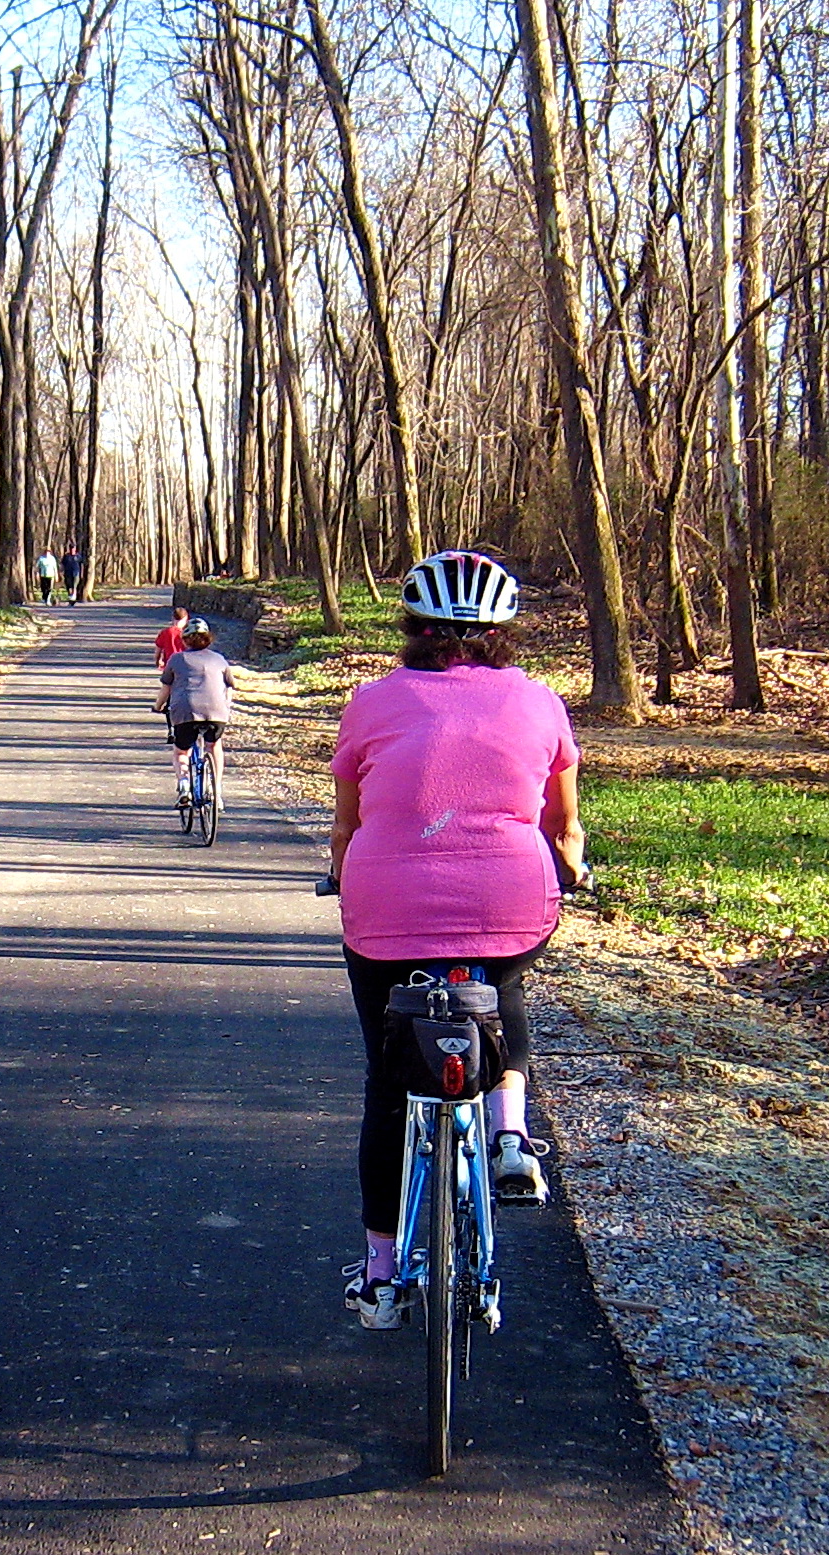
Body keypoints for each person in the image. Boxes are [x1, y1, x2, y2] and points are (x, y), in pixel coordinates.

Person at [328, 551, 587, 1332]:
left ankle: (380, 1278)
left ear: (413, 629)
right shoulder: (541, 703)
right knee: (503, 979)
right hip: (509, 897)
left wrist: (340, 870)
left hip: (386, 911)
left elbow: (347, 826)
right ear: (503, 633)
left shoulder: (370, 701)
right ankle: (510, 1133)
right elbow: (562, 824)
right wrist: (571, 861)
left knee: (386, 1076)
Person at [152, 616, 234, 807]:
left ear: (185, 640)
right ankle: (217, 792)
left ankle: (184, 785)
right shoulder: (219, 659)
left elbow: (166, 688)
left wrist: (157, 707)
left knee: (181, 751)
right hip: (217, 712)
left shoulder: (176, 659)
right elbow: (230, 686)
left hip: (186, 712)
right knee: (214, 746)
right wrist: (225, 706)